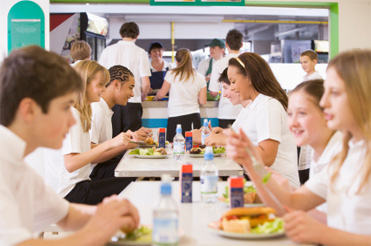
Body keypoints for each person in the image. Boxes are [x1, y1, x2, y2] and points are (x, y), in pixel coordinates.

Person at [226, 49, 371, 245]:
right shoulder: (348, 152)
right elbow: (291, 203)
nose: (324, 102)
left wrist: (322, 234)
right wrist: (252, 165)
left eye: (334, 92)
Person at [0, 45, 139, 245]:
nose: (73, 121)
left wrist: (108, 214)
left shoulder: (20, 166)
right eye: (65, 107)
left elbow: (65, 215)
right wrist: (99, 229)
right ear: (29, 110)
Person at [45, 60, 134, 205]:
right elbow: (71, 164)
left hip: (74, 188)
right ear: (83, 84)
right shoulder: (71, 114)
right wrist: (111, 143)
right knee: (133, 183)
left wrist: (116, 143)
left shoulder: (79, 112)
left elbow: (84, 148)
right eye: (100, 85)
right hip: (69, 192)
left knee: (132, 180)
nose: (104, 90)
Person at [227, 52, 300, 188]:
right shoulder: (257, 104)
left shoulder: (267, 105)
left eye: (233, 82)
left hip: (282, 188)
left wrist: (228, 141)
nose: (231, 88)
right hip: (267, 184)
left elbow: (266, 157)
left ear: (249, 77)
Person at [90, 65, 152, 180]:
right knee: (141, 169)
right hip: (94, 173)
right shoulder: (97, 110)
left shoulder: (105, 109)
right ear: (116, 84)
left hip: (100, 167)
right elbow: (91, 157)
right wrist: (126, 144)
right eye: (131, 87)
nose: (132, 94)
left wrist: (131, 137)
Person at [99, 22, 151, 133]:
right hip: (133, 102)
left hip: (111, 102)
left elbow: (100, 77)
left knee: (112, 139)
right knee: (132, 141)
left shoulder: (108, 50)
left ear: (121, 34)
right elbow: (146, 83)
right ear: (137, 35)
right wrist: (141, 96)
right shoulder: (141, 52)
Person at [155, 48, 207, 141]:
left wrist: (156, 96)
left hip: (176, 116)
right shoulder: (200, 77)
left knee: (173, 147)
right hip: (194, 116)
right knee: (193, 148)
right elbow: (203, 101)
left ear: (177, 62)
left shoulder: (171, 74)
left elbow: (161, 94)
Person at [192, 68, 250, 146]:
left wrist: (203, 139)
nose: (224, 95)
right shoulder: (245, 110)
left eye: (225, 88)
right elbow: (236, 137)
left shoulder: (261, 108)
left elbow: (247, 146)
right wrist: (219, 133)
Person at [208, 29, 243, 128]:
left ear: (226, 44)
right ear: (241, 45)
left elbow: (213, 93)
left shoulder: (219, 64)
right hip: (245, 110)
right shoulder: (248, 62)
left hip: (226, 113)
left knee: (225, 143)